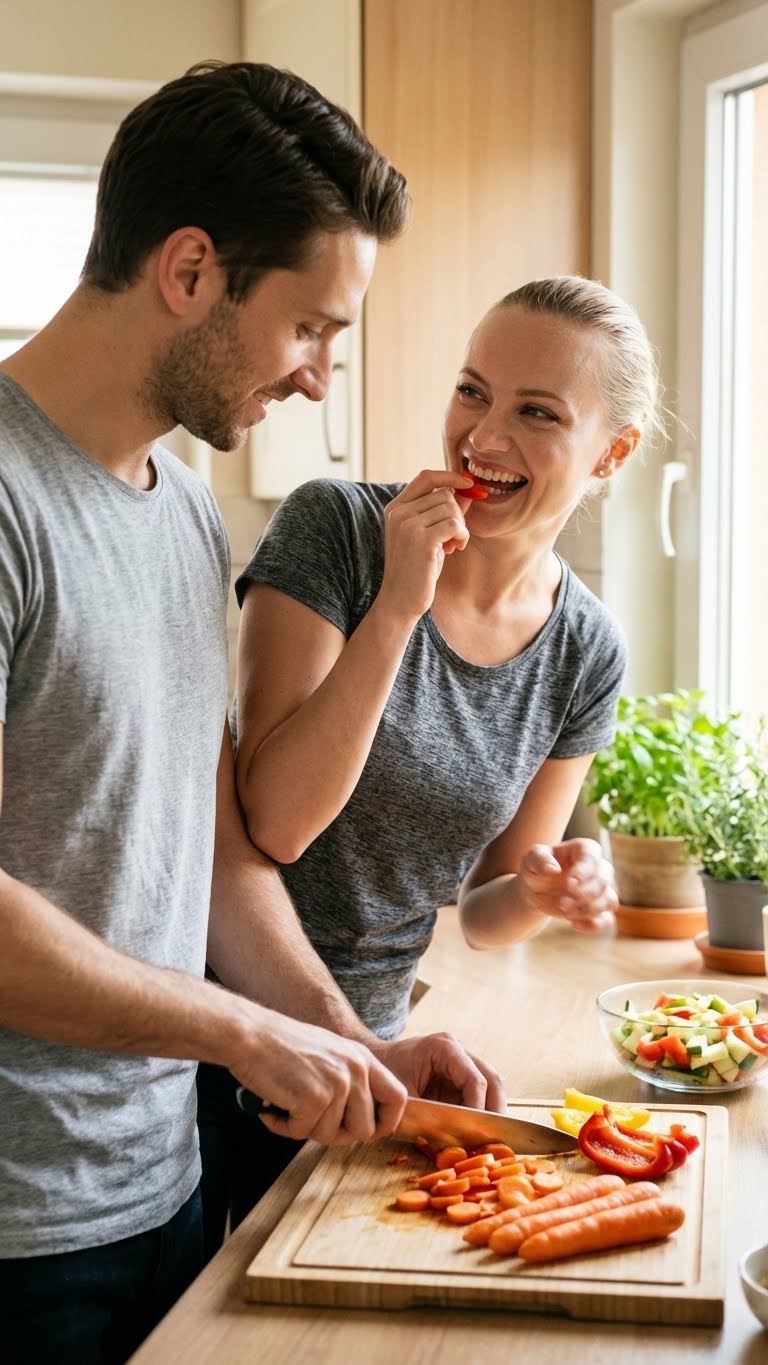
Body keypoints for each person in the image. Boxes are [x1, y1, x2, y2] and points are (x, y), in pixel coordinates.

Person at [0, 60, 505, 1365]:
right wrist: (247, 1033)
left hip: (167, 1200)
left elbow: (221, 851)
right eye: (311, 328)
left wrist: (354, 1047)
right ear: (189, 272)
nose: (322, 378)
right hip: (16, 1234)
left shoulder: (180, 512)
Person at [212, 274, 661, 1229]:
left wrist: (541, 890)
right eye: (472, 391)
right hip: (226, 1041)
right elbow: (276, 824)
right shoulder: (335, 529)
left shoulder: (585, 649)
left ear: (612, 453)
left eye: (536, 412)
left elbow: (488, 910)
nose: (484, 438)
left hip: (376, 1056)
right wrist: (399, 607)